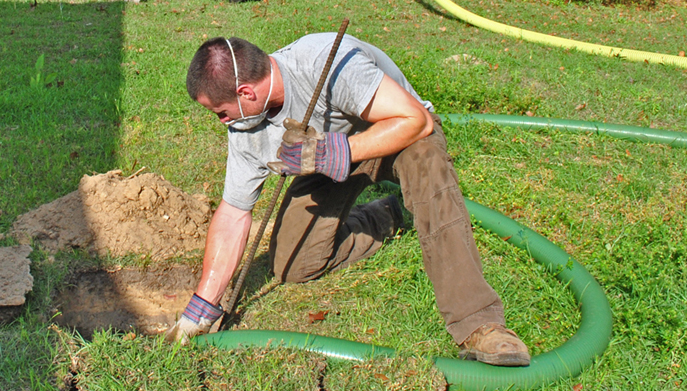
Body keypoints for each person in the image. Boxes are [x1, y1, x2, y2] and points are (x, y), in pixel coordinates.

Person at [164, 33, 531, 367]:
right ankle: (392, 213)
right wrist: (202, 307)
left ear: (245, 92)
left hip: (395, 135)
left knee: (427, 163)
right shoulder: (245, 127)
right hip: (331, 159)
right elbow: (233, 214)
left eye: (220, 111)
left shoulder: (323, 60)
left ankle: (481, 325)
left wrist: (331, 151)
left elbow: (415, 120)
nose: (221, 121)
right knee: (294, 264)